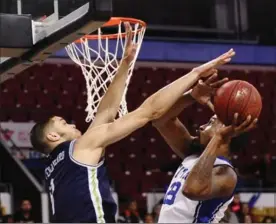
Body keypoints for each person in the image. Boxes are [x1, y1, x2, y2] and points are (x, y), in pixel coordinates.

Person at [29, 28, 235, 223]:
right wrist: (195, 74)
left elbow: (106, 112)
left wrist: (125, 64)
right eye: (63, 123)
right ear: (53, 137)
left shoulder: (55, 166)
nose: (72, 123)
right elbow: (149, 112)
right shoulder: (81, 147)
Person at [153, 72, 258, 223]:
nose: (201, 127)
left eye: (210, 123)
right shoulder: (193, 153)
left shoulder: (227, 174)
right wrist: (191, 96)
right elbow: (160, 120)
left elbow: (192, 189)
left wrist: (219, 138)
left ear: (227, 134)